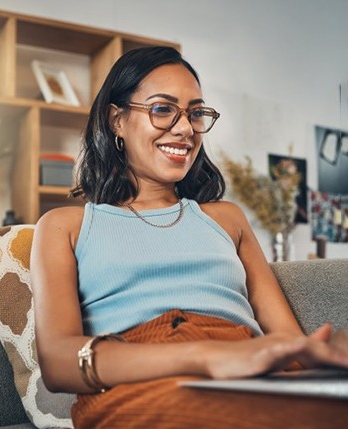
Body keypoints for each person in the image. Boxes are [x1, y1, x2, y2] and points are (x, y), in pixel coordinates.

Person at [30, 46, 348, 428]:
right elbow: (60, 363)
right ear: (117, 120)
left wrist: (321, 358)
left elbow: (289, 343)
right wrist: (205, 355)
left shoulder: (227, 218)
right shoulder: (65, 226)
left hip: (248, 372)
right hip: (139, 381)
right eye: (163, 109)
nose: (184, 129)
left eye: (195, 113)